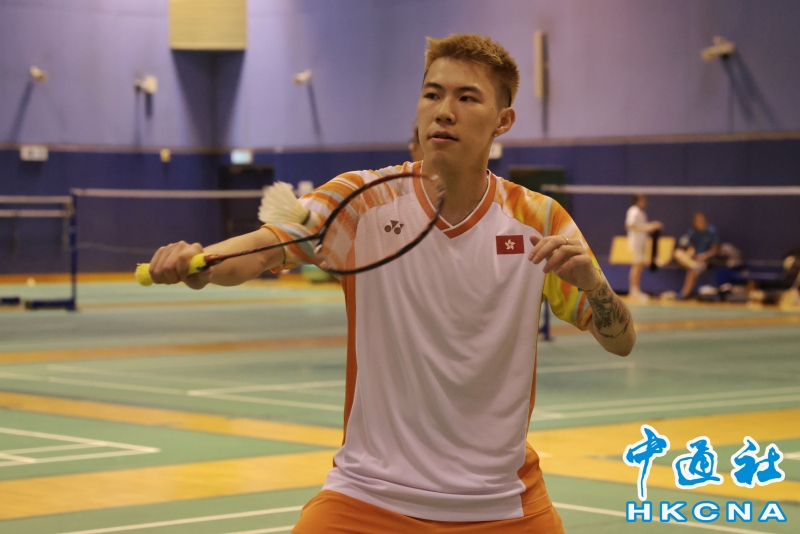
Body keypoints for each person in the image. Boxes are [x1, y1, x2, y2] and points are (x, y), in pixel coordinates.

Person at [147, 34, 636, 534]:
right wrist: (201, 263)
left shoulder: (539, 219)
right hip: (368, 495)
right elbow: (261, 249)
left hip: (502, 503)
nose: (444, 111)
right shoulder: (361, 201)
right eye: (432, 94)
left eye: (467, 98)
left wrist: (595, 287)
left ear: (503, 121)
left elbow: (621, 342)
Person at [674, 211, 720, 299]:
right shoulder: (692, 232)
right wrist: (689, 253)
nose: (700, 223)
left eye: (702, 220)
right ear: (694, 222)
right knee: (678, 253)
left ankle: (684, 294)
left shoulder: (712, 231)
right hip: (693, 260)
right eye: (698, 221)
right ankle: (695, 266)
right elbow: (691, 247)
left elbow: (715, 250)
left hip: (706, 260)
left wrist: (704, 256)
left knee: (692, 271)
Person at [625, 194, 663, 302]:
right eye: (643, 200)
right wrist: (649, 227)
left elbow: (640, 225)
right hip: (636, 243)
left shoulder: (640, 212)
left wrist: (650, 225)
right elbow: (630, 225)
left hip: (641, 242)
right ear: (638, 200)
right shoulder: (634, 211)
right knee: (636, 266)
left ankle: (636, 290)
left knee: (639, 266)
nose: (645, 203)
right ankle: (633, 291)